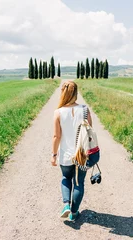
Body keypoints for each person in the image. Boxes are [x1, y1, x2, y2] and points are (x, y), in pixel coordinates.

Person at [51, 80, 92, 221]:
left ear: (62, 93)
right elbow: (90, 133)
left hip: (65, 156)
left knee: (66, 178)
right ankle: (74, 213)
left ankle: (66, 205)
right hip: (82, 154)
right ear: (76, 93)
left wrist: (54, 155)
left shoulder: (58, 113)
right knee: (79, 182)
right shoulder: (85, 110)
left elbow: (56, 136)